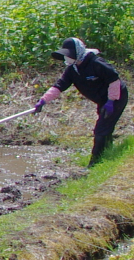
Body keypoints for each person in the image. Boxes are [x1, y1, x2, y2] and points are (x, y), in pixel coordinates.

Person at [32, 37, 126, 165]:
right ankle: (108, 152)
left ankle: (95, 163)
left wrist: (111, 101)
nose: (67, 58)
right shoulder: (73, 69)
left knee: (101, 130)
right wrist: (43, 100)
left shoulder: (96, 63)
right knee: (105, 126)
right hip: (102, 100)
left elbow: (114, 80)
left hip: (115, 97)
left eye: (69, 55)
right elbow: (59, 86)